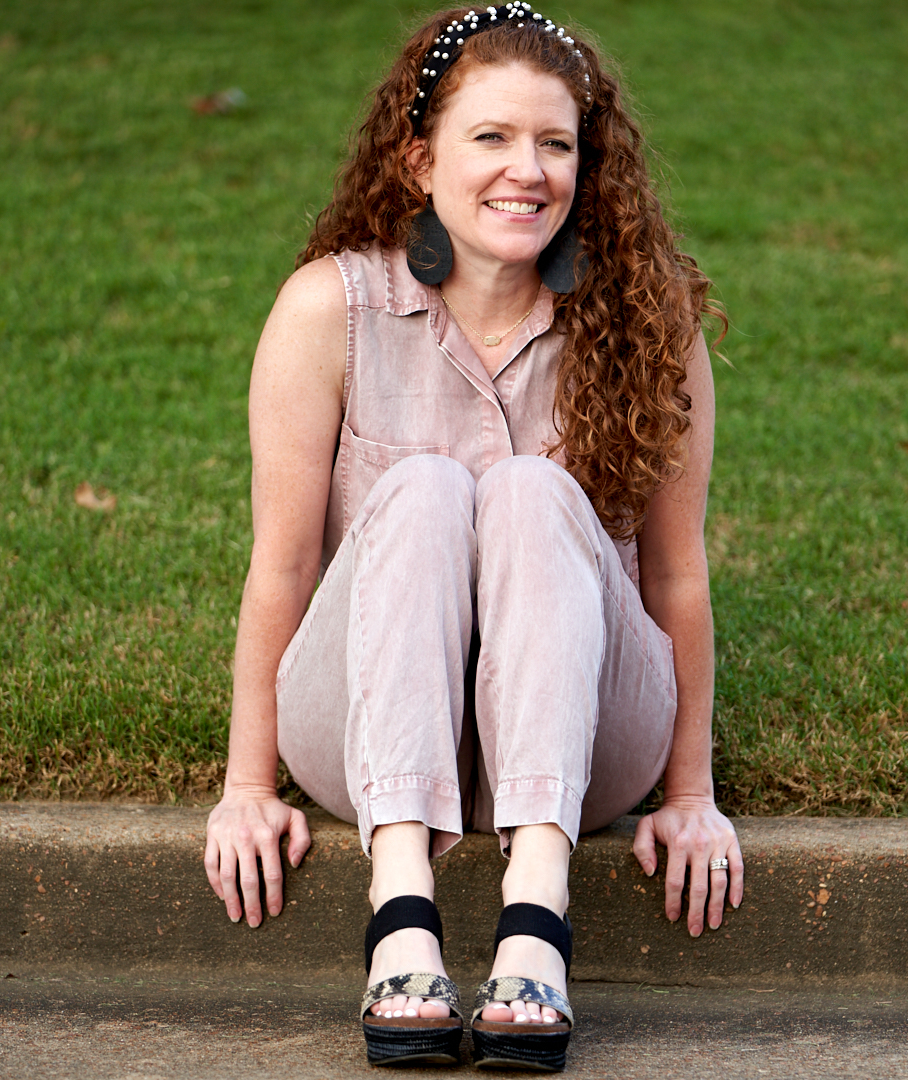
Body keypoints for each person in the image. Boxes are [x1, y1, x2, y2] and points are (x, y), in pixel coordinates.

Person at [203, 3, 743, 1070]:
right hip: (372, 726)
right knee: (427, 489)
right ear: (419, 159)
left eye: (555, 143)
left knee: (537, 495)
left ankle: (535, 923)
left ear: (587, 164)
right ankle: (400, 914)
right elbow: (286, 564)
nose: (527, 171)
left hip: (583, 739)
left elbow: (676, 572)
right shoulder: (331, 311)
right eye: (490, 138)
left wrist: (692, 798)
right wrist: (245, 787)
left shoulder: (646, 321)